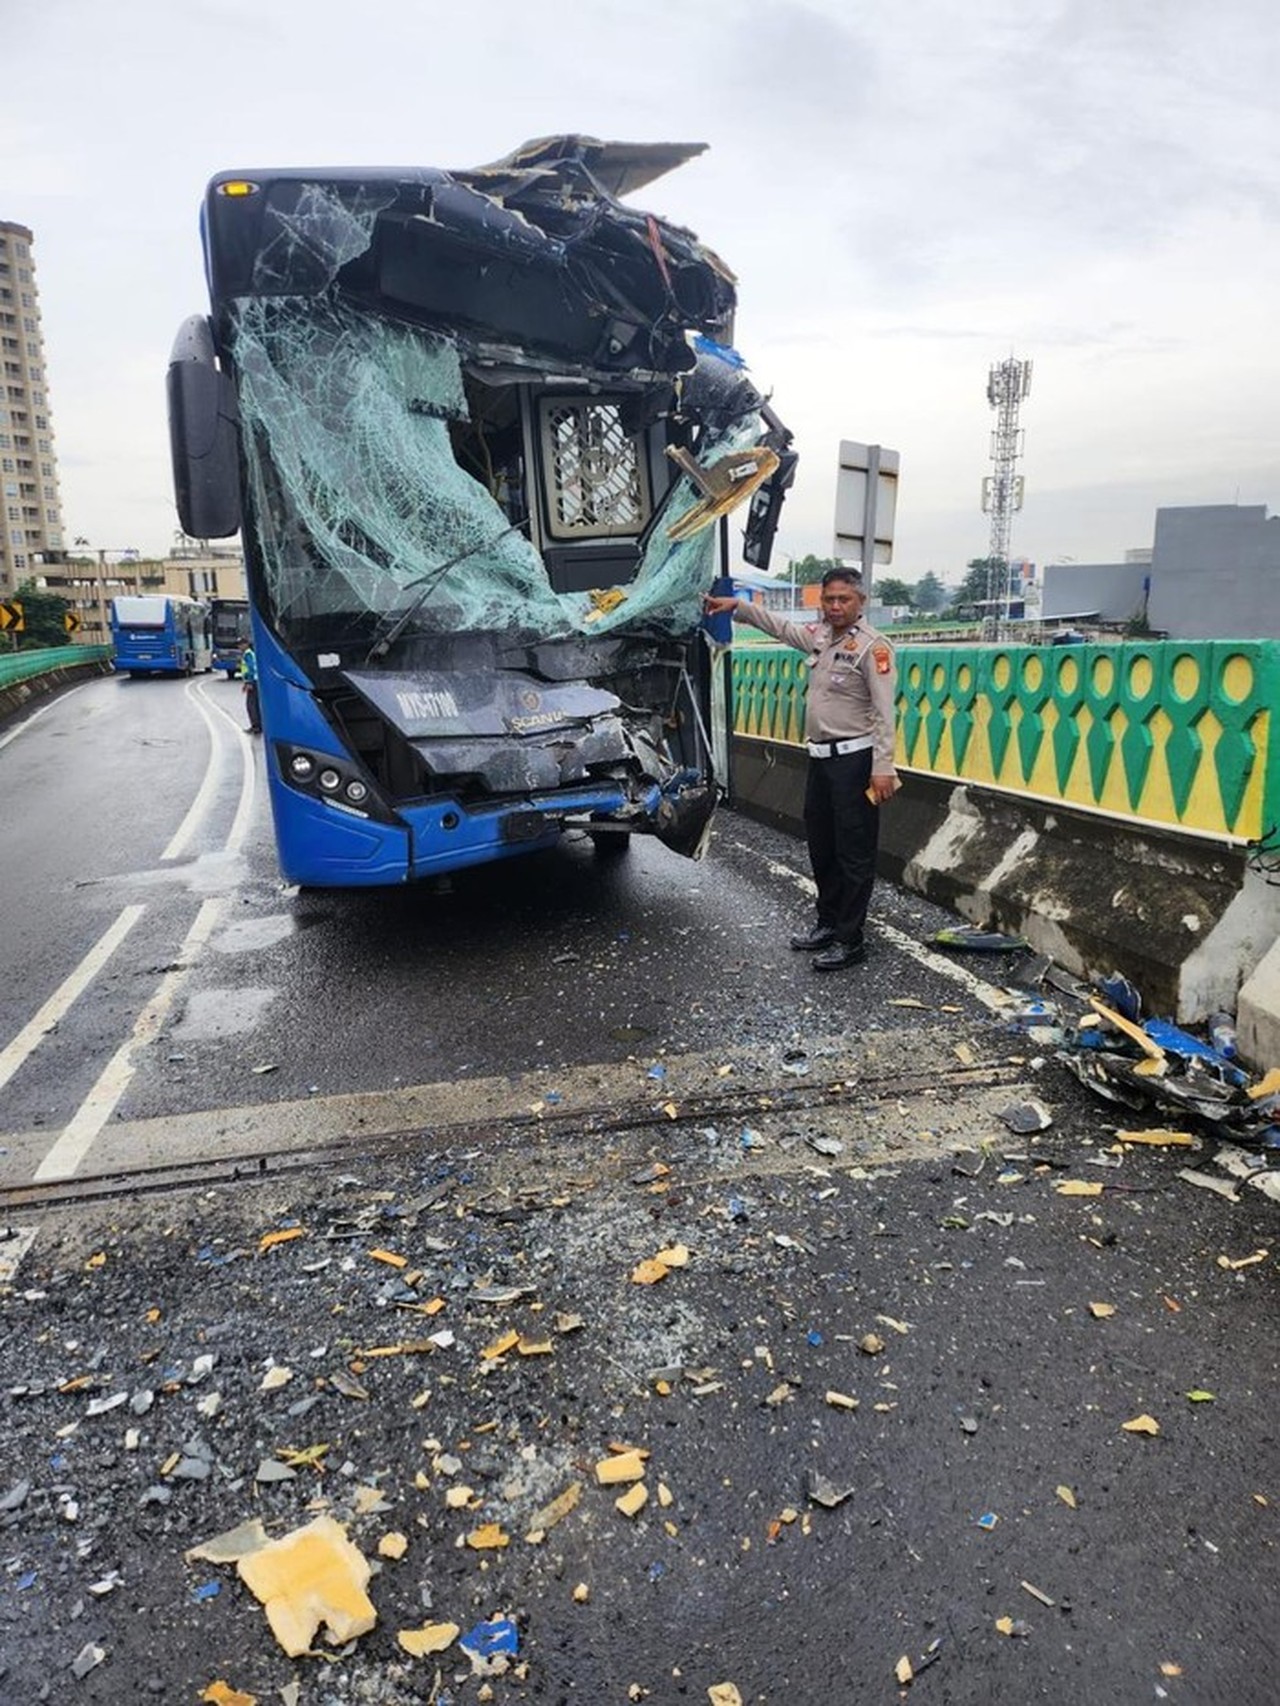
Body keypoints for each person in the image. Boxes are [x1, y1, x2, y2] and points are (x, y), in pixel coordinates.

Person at [704, 568, 898, 970]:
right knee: (822, 846)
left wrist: (883, 768)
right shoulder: (822, 638)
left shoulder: (873, 648)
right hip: (821, 761)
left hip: (855, 762)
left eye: (843, 599)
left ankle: (851, 939)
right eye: (828, 599)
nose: (835, 606)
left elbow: (883, 715)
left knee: (853, 853)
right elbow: (780, 627)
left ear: (860, 601)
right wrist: (739, 607)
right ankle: (828, 923)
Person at [238, 643, 261, 734]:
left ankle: (256, 726)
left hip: (253, 682)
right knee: (254, 704)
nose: (239, 647)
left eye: (240, 645)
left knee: (251, 705)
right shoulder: (249, 654)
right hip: (253, 681)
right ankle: (257, 725)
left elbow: (250, 669)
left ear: (246, 644)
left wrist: (249, 682)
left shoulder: (248, 654)